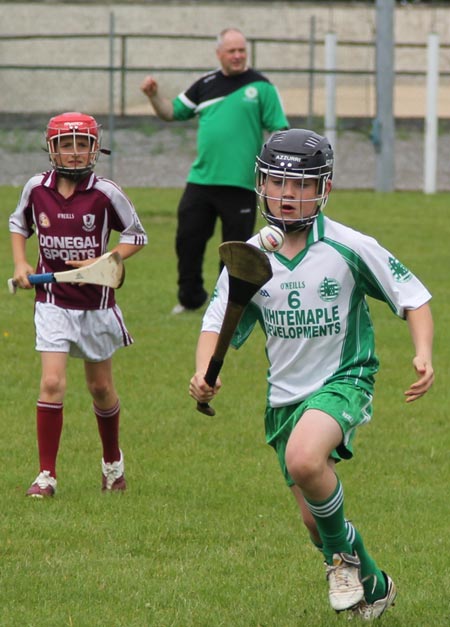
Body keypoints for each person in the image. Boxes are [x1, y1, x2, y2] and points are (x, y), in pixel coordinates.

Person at [189, 128, 434, 618]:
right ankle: (375, 581)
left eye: (301, 185)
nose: (288, 195)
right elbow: (216, 322)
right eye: (278, 183)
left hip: (345, 378)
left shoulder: (349, 246)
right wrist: (203, 372)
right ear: (261, 184)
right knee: (311, 517)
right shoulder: (249, 255)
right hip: (284, 399)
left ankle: (340, 561)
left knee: (305, 460)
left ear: (323, 189)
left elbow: (414, 297)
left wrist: (423, 353)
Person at [9, 111, 148, 498]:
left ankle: (112, 463)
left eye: (82, 144)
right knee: (52, 382)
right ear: (51, 148)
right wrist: (21, 262)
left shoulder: (106, 193)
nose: (74, 153)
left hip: (96, 303)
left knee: (101, 388)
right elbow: (19, 224)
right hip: (51, 299)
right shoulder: (36, 188)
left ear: (94, 149)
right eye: (66, 145)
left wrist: (105, 261)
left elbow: (137, 236)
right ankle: (46, 476)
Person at [140, 27, 289, 314]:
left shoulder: (262, 86)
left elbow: (279, 130)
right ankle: (190, 299)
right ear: (219, 53)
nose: (237, 56)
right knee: (188, 242)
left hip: (242, 184)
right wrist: (153, 96)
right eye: (231, 51)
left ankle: (227, 304)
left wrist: (273, 173)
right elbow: (171, 112)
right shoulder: (205, 84)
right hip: (202, 181)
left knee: (235, 251)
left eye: (242, 50)